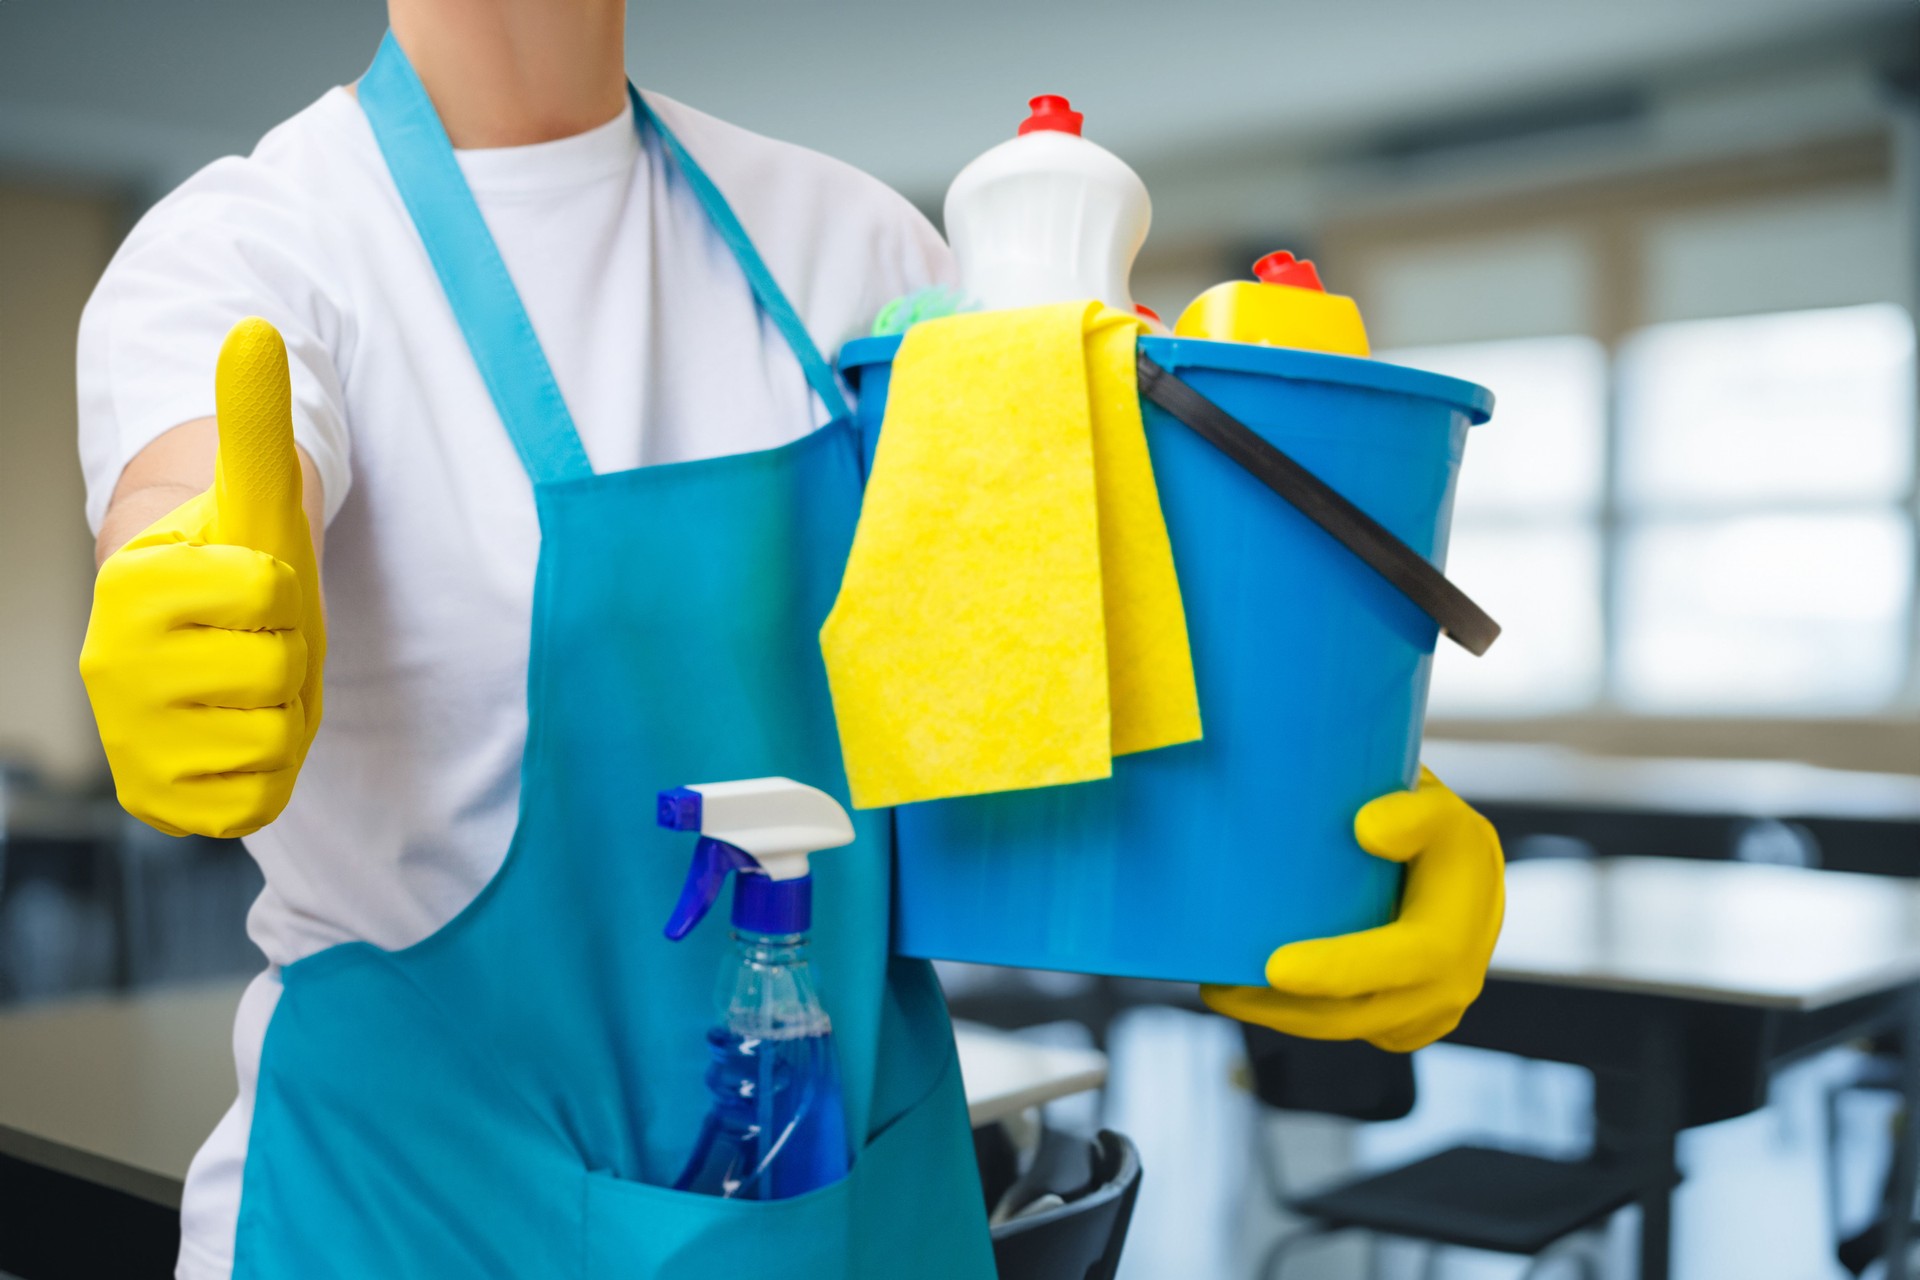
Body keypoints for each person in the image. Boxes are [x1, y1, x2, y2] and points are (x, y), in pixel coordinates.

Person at [75, 4, 1504, 1276]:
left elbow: (1025, 698)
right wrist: (184, 577)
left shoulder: (862, 248)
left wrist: (1316, 852)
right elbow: (201, 483)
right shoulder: (258, 246)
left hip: (844, 1215)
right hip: (413, 1219)